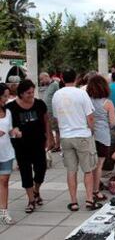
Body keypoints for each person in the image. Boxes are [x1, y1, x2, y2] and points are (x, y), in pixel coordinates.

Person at [52, 69, 102, 212]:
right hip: (82, 134)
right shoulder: (81, 93)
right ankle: (89, 200)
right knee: (88, 170)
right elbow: (90, 116)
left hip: (66, 136)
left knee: (71, 170)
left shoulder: (56, 95)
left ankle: (73, 202)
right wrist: (91, 130)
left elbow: (56, 117)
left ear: (61, 78)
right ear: (76, 78)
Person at [6, 79, 50, 213]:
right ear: (20, 93)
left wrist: (49, 137)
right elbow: (7, 125)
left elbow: (46, 121)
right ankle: (31, 200)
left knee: (41, 168)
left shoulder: (39, 104)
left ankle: (36, 190)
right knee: (25, 171)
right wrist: (14, 131)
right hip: (21, 145)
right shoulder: (11, 107)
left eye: (32, 92)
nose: (31, 95)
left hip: (38, 142)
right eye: (27, 93)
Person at [86, 75, 115, 202]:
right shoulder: (107, 103)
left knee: (91, 165)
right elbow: (112, 123)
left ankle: (90, 188)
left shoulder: (87, 101)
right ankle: (95, 191)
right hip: (103, 136)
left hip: (90, 135)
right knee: (99, 166)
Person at [0, 84, 21, 224]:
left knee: (4, 181)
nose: (7, 99)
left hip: (6, 151)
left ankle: (3, 211)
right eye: (5, 96)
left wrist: (15, 132)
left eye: (8, 96)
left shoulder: (7, 112)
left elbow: (10, 129)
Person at [39, 72, 60, 151]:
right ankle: (52, 144)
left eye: (42, 79)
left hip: (53, 111)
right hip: (47, 111)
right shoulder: (48, 86)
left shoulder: (55, 85)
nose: (41, 81)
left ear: (46, 77)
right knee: (49, 128)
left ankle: (57, 145)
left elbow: (58, 96)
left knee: (56, 128)